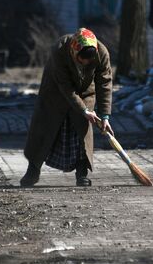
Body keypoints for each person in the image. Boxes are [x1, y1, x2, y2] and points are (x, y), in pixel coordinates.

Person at [21, 28, 114, 187]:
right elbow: (65, 86)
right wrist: (83, 110)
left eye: (88, 61)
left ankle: (82, 173)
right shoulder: (60, 50)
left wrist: (105, 116)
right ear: (74, 50)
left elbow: (104, 83)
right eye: (81, 59)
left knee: (81, 134)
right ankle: (33, 169)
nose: (85, 63)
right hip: (55, 92)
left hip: (85, 94)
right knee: (45, 131)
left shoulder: (102, 53)